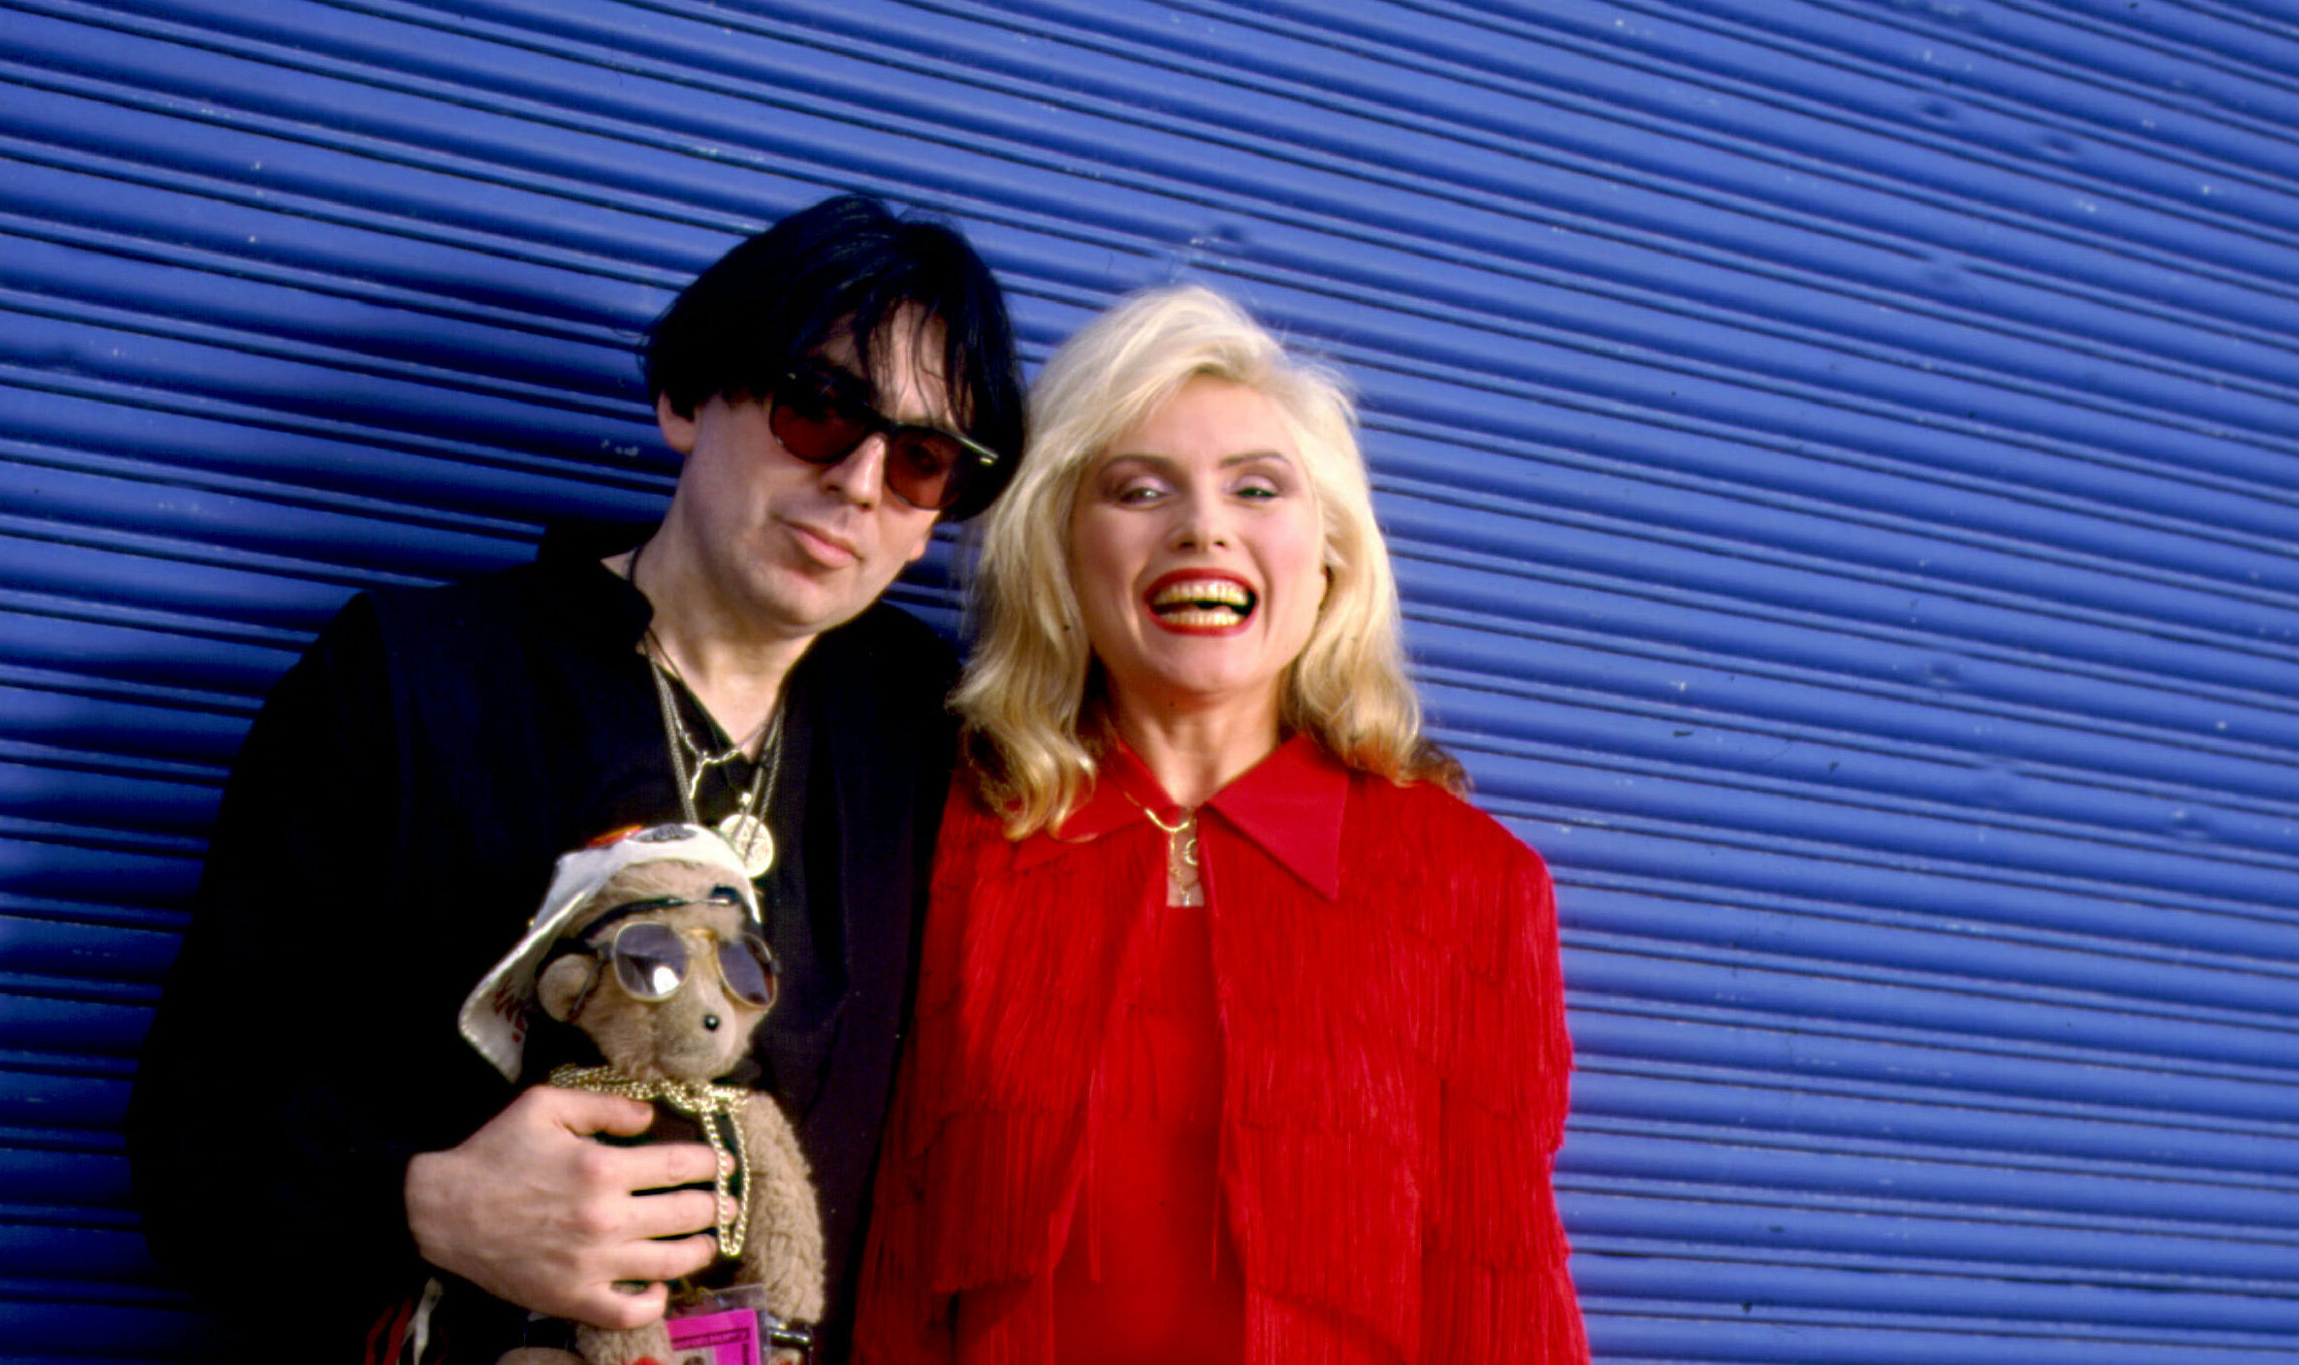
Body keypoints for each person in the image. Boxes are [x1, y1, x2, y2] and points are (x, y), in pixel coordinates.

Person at [125, 193, 1025, 1362]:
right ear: (687, 398)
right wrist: (430, 1204)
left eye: (922, 460)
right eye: (816, 407)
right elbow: (190, 1141)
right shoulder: (409, 683)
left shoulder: (934, 738)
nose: (859, 481)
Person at [853, 285, 1589, 1363]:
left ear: (1329, 553)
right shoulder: (949, 836)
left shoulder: (1474, 884)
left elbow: (1502, 1282)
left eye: (1256, 489)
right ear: (1060, 549)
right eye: (1137, 490)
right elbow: (893, 1262)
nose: (1203, 527)